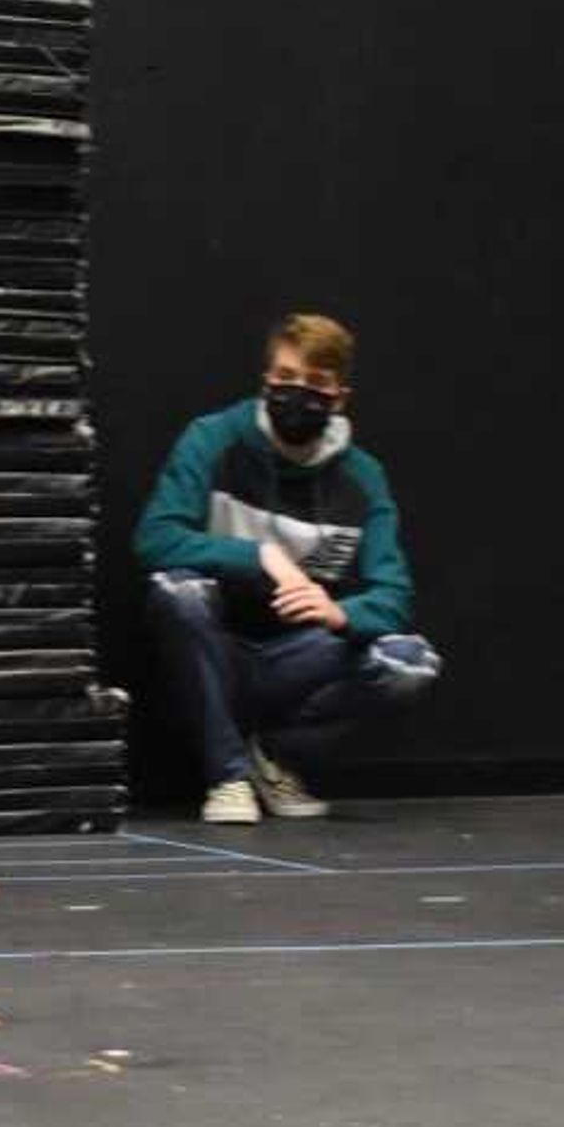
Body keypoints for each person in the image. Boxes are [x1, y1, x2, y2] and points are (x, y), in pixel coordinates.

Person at [135, 312, 438, 823]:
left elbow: (394, 593)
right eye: (286, 379)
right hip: (214, 647)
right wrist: (259, 556)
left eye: (317, 384)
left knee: (410, 662)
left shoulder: (363, 478)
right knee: (176, 590)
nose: (299, 394)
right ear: (266, 382)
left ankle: (272, 758)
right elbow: (155, 538)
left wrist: (340, 613)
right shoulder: (213, 439)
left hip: (295, 657)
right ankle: (227, 777)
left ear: (340, 396)